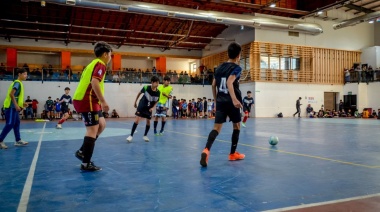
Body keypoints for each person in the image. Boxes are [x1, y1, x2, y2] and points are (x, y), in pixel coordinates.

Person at [200, 42, 245, 167]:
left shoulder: (219, 68)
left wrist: (216, 100)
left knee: (216, 129)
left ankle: (206, 149)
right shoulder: (237, 68)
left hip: (220, 101)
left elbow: (214, 85)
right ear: (238, 56)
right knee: (236, 126)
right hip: (232, 101)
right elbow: (230, 82)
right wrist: (235, 99)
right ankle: (232, 154)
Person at [73, 41, 112, 171]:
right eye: (110, 54)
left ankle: (82, 151)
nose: (111, 57)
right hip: (87, 99)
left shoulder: (93, 64)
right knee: (92, 130)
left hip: (90, 100)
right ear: (105, 54)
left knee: (102, 125)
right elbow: (94, 82)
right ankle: (85, 163)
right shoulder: (101, 64)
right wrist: (104, 101)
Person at [0, 68, 29, 149]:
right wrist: (16, 105)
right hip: (11, 107)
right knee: (10, 124)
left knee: (16, 123)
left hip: (14, 107)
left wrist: (22, 104)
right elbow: (11, 94)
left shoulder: (20, 83)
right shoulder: (17, 83)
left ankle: (18, 140)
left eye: (26, 74)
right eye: (24, 74)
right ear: (19, 74)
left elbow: (16, 96)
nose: (26, 76)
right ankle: (0, 140)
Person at [126, 76, 160, 142]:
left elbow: (157, 101)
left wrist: (153, 107)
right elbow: (139, 93)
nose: (157, 84)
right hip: (142, 105)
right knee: (137, 120)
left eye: (158, 82)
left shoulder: (158, 92)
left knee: (148, 121)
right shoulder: (146, 87)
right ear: (152, 82)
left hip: (149, 108)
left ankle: (145, 135)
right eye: (156, 82)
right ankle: (131, 136)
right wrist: (135, 102)